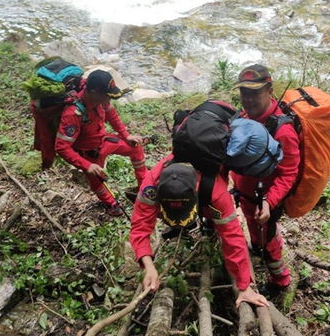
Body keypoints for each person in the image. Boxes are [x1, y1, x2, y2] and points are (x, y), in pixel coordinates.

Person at [130, 155, 269, 307]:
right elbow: (140, 226)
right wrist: (148, 265)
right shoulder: (150, 186)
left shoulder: (216, 192)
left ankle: (210, 222)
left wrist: (244, 286)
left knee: (217, 218)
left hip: (212, 174)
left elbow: (233, 236)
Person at [231, 64, 301, 296]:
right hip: (246, 194)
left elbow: (289, 172)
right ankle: (258, 247)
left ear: (269, 91)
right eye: (244, 93)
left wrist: (270, 203)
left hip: (265, 200)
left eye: (254, 93)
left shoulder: (282, 131)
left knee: (268, 238)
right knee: (255, 230)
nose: (248, 100)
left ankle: (280, 280)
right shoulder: (244, 117)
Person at [55, 70, 147, 216]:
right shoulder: (72, 114)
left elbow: (112, 115)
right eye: (107, 95)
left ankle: (144, 186)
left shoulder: (102, 101)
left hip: (104, 141)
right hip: (89, 154)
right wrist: (87, 165)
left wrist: (126, 135)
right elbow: (61, 147)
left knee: (135, 147)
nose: (109, 100)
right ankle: (110, 203)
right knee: (97, 180)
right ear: (93, 92)